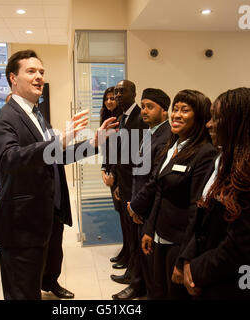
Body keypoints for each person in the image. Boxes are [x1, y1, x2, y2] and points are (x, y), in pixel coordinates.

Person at [0, 49, 117, 300]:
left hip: (44, 217)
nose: (39, 77)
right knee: (23, 293)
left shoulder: (37, 115)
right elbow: (7, 160)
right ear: (13, 78)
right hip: (21, 224)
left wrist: (94, 143)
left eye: (41, 72)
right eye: (31, 71)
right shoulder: (5, 117)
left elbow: (55, 156)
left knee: (35, 284)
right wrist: (59, 140)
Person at [176, 87, 250, 299]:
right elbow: (201, 219)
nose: (208, 124)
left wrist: (195, 271)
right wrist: (186, 260)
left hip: (235, 283)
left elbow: (239, 247)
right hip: (208, 273)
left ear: (238, 123)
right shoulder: (226, 162)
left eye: (216, 118)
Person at [138, 89, 217, 299]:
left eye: (185, 110)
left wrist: (185, 258)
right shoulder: (173, 146)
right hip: (159, 234)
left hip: (179, 241)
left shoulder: (205, 153)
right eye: (175, 109)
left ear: (199, 117)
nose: (176, 115)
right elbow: (159, 191)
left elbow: (196, 208)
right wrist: (149, 228)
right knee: (157, 291)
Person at [112, 88, 172, 300]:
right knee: (140, 251)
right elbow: (138, 170)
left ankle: (144, 290)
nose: (144, 111)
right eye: (143, 106)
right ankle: (139, 287)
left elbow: (155, 179)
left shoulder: (166, 137)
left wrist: (137, 205)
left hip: (149, 207)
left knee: (148, 255)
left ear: (164, 111)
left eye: (150, 107)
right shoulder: (150, 132)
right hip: (137, 201)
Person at [109, 80, 148, 289]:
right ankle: (130, 270)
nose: (117, 95)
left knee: (134, 233)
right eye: (116, 92)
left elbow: (138, 158)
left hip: (134, 185)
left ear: (134, 93)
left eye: (122, 91)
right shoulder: (121, 118)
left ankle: (135, 277)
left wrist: (132, 188)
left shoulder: (140, 118)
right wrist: (116, 180)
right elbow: (120, 152)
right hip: (123, 183)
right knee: (128, 231)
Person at [99, 86, 126, 267]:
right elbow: (105, 149)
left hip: (120, 175)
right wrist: (103, 169)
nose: (109, 101)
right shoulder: (106, 119)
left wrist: (113, 176)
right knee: (120, 213)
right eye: (107, 98)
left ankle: (128, 252)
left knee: (125, 214)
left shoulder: (121, 120)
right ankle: (126, 250)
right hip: (110, 172)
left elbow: (122, 152)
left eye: (113, 98)